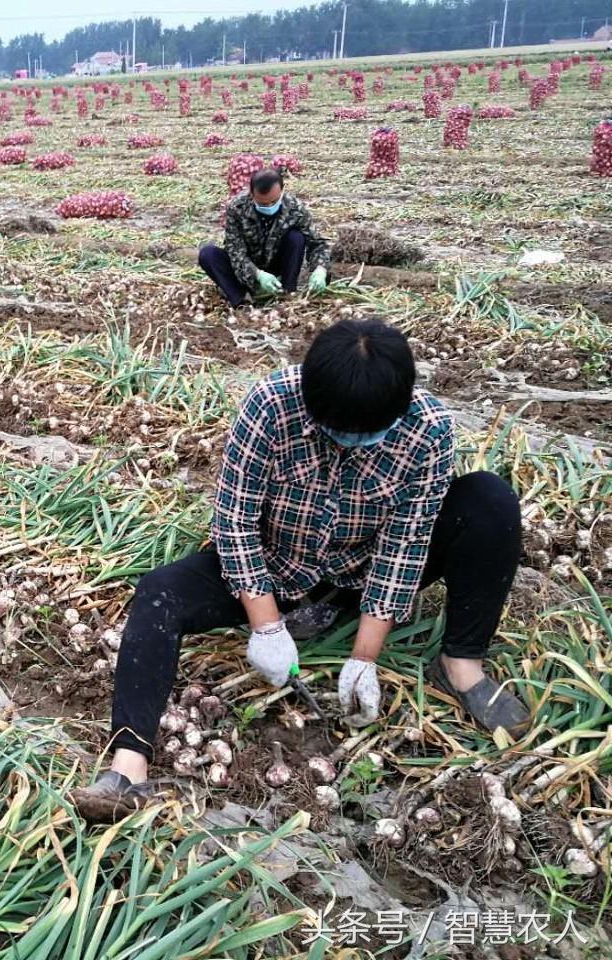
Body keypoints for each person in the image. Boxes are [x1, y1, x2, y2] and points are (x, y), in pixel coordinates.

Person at [71, 318, 529, 822]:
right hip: (276, 568)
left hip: (359, 572)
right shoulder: (270, 405)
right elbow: (236, 520)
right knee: (160, 592)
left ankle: (461, 666)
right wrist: (266, 624)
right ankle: (127, 767)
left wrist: (365, 658)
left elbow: (405, 544)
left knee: (489, 501)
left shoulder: (429, 429)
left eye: (367, 435)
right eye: (336, 431)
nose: (350, 444)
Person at [198, 168, 331, 308]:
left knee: (296, 237)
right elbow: (235, 251)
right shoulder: (237, 207)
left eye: (273, 202)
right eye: (262, 204)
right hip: (246, 270)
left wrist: (320, 269)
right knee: (208, 254)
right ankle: (242, 300)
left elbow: (318, 243)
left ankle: (286, 293)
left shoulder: (295, 208)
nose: (269, 206)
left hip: (276, 264)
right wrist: (257, 275)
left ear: (282, 190)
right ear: (252, 193)